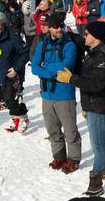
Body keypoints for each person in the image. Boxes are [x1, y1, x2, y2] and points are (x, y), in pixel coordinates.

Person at [56, 20, 105, 195]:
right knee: (104, 138)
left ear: (96, 37)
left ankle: (96, 183)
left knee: (98, 146)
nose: (85, 36)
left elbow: (96, 84)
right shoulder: (92, 53)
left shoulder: (102, 58)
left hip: (98, 105)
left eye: (88, 34)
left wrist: (70, 79)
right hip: (92, 104)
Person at [29, 16, 82, 172]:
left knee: (70, 129)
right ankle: (59, 156)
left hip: (64, 93)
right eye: (56, 27)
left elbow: (65, 67)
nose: (59, 29)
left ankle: (73, 159)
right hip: (47, 94)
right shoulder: (42, 44)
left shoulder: (69, 45)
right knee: (52, 128)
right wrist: (52, 72)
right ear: (49, 28)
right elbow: (34, 67)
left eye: (61, 26)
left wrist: (45, 67)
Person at [0, 13, 30, 133]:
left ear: (1, 24)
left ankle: (23, 118)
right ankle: (16, 120)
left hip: (13, 74)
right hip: (0, 73)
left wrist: (16, 68)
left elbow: (25, 53)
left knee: (12, 99)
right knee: (8, 100)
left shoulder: (13, 37)